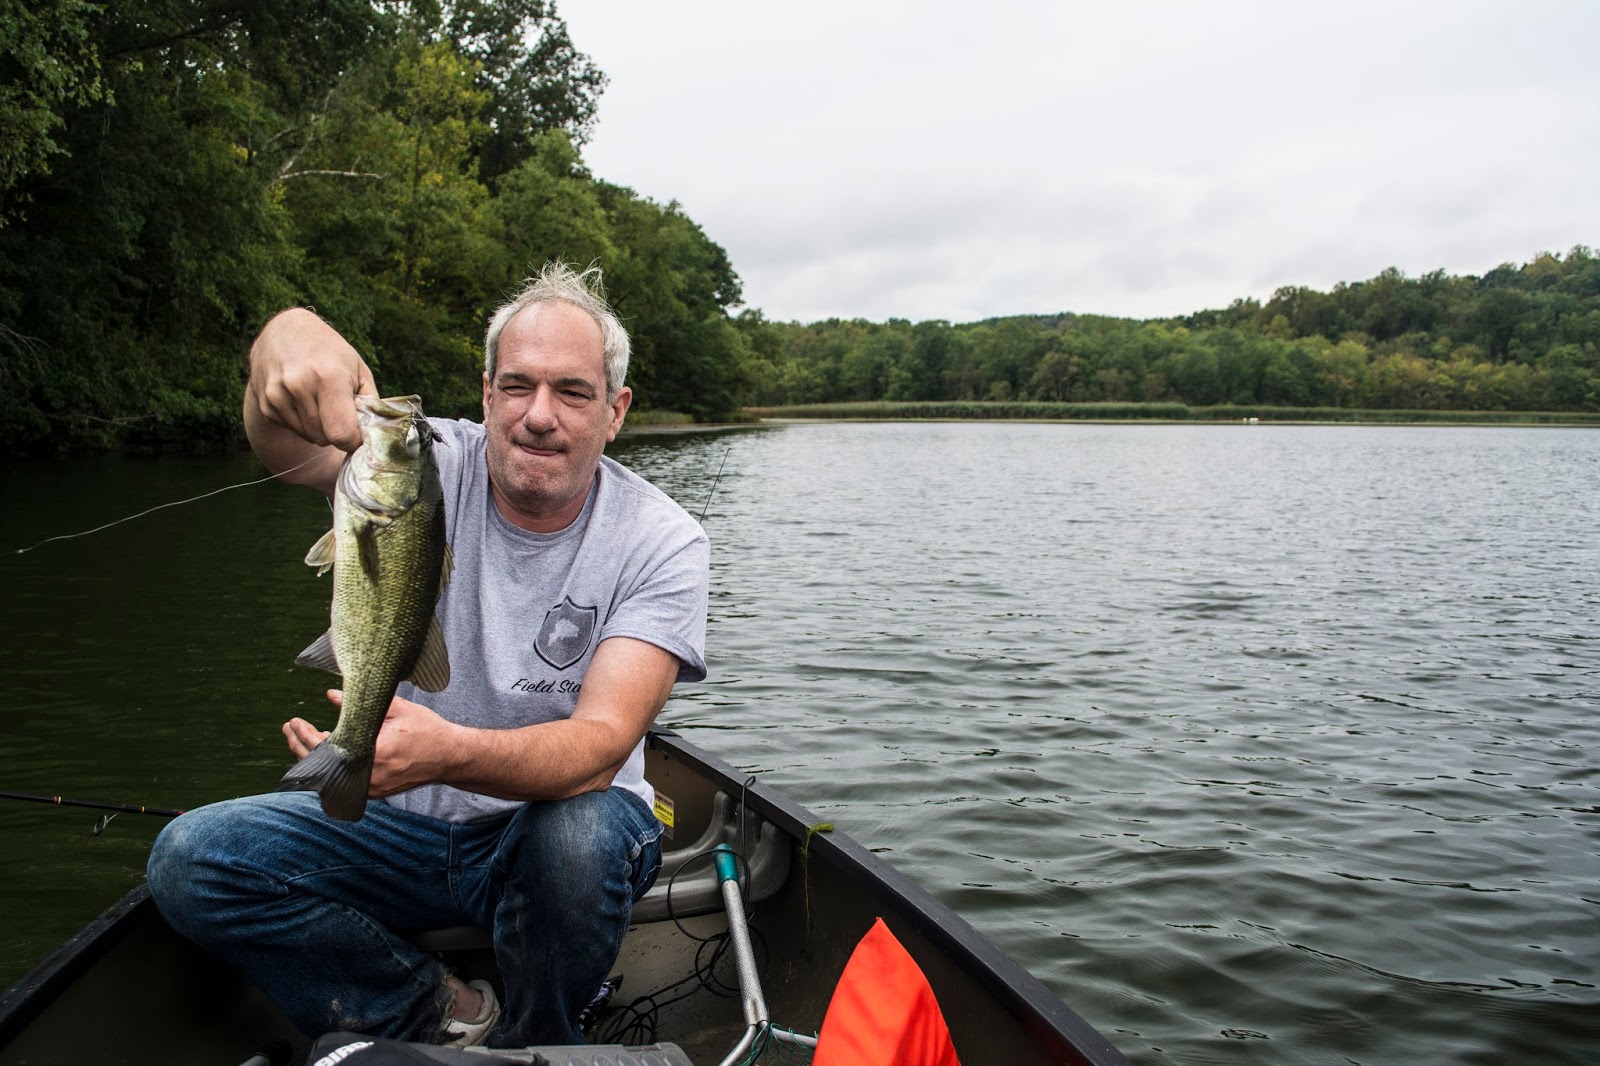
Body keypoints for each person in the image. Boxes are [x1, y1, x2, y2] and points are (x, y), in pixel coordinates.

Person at [146, 263, 709, 1049]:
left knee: (581, 837)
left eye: (571, 392)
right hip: (399, 829)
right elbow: (282, 442)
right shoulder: (418, 460)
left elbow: (599, 746)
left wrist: (443, 753)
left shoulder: (661, 539)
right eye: (517, 386)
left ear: (614, 412)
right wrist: (284, 334)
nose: (538, 415)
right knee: (190, 860)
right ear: (485, 394)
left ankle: (538, 1042)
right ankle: (435, 1012)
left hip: (545, 837)